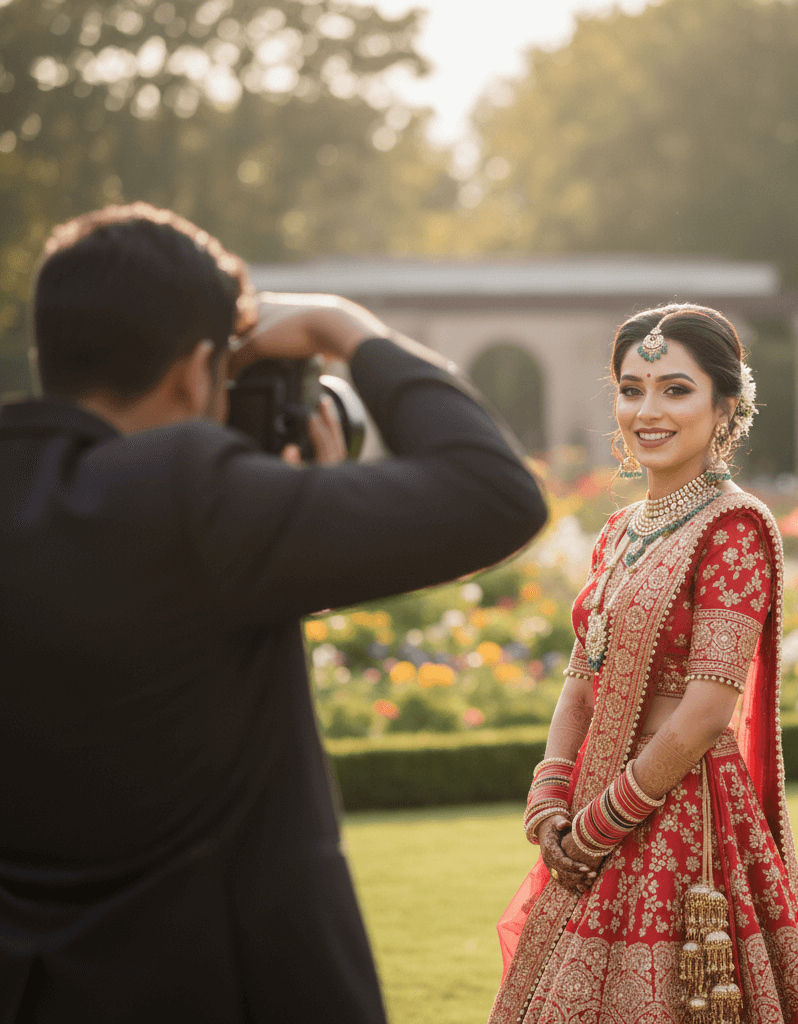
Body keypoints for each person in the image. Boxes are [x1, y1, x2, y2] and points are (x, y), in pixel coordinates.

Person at [0, 203, 547, 1024]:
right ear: (195, 370)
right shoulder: (194, 501)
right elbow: (494, 495)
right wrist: (345, 327)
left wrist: (293, 557)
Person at [490, 305, 798, 1024]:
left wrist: (598, 825)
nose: (647, 410)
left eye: (675, 390)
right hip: (589, 806)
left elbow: (707, 710)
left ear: (725, 405)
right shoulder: (619, 531)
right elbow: (582, 677)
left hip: (683, 821)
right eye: (631, 388)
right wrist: (551, 793)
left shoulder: (733, 528)